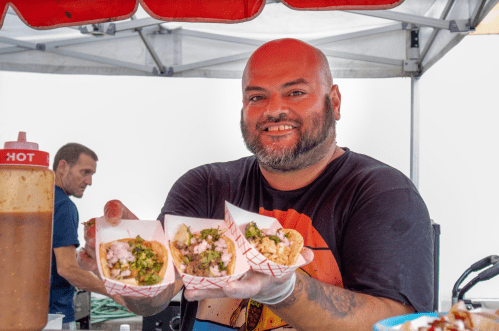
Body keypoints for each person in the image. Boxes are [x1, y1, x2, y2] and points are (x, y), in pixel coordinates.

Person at [79, 38, 434, 331]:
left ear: (335, 102)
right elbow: (156, 297)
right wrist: (128, 263)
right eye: (256, 97)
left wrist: (284, 288)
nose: (273, 110)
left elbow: (399, 322)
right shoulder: (205, 184)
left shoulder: (381, 193)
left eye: (295, 92)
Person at [51, 143, 122, 329]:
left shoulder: (41, 199)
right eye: (85, 172)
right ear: (63, 166)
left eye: (92, 175)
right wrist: (114, 292)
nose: (89, 181)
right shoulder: (63, 206)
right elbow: (67, 268)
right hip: (54, 317)